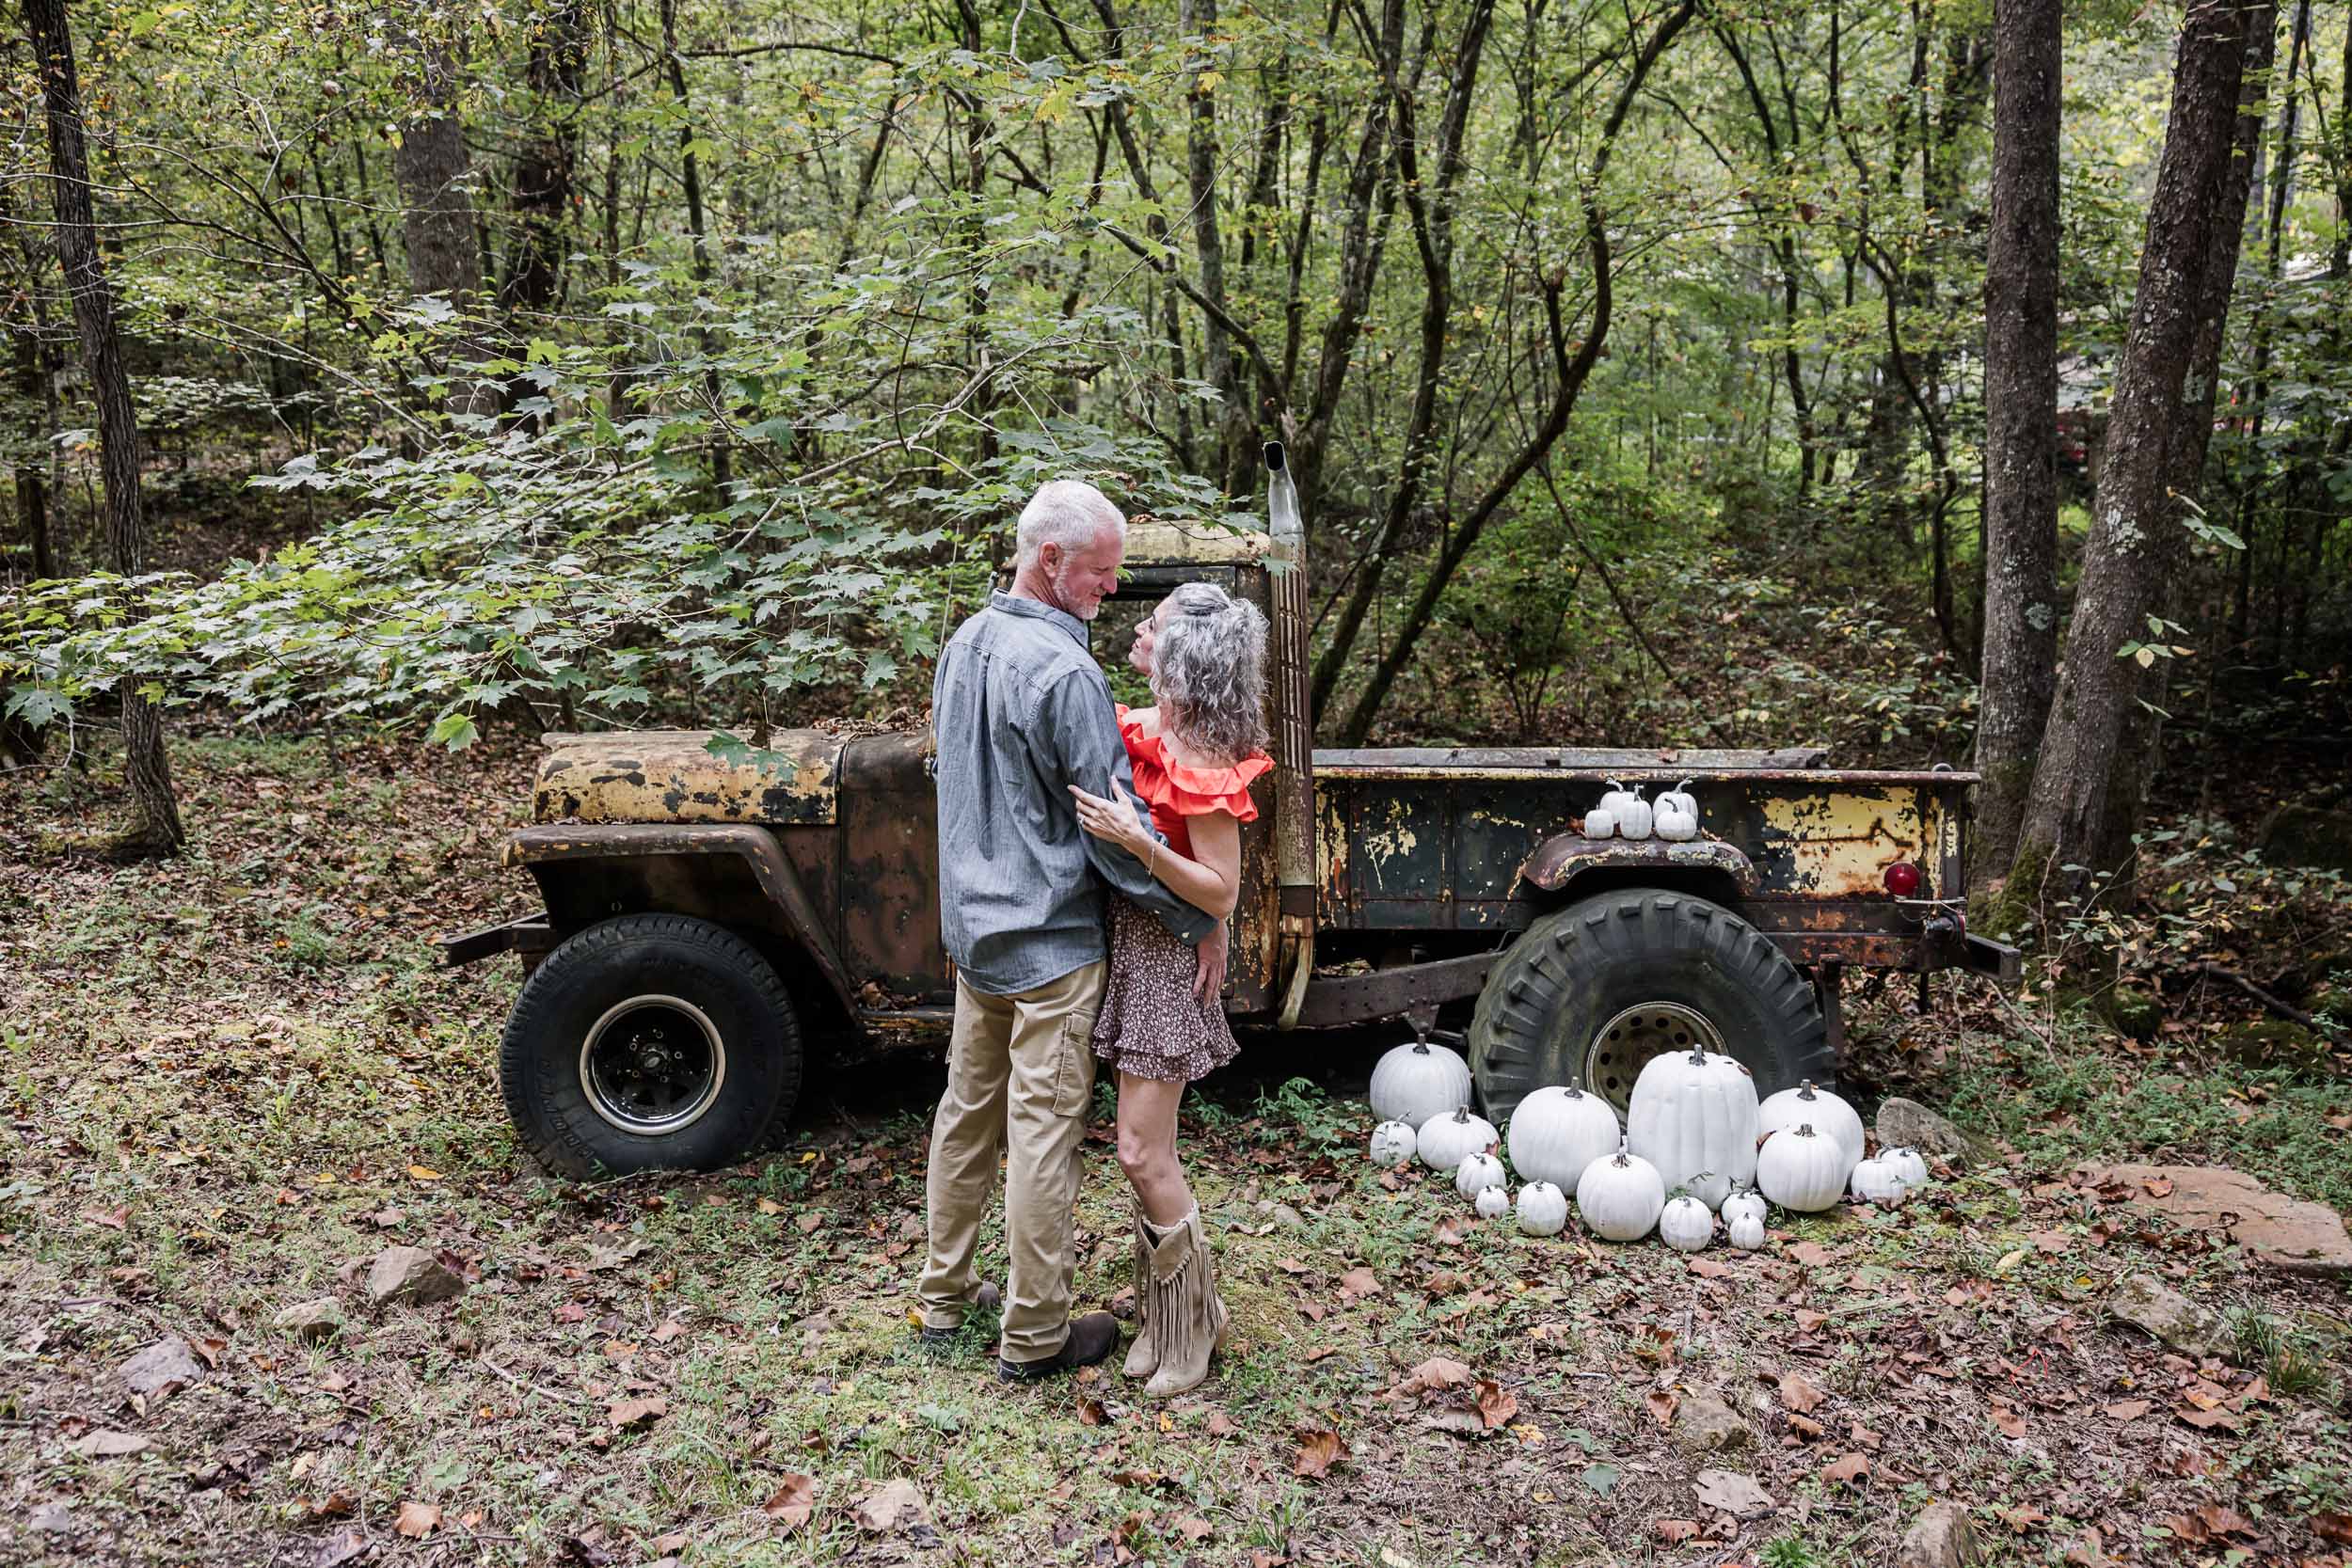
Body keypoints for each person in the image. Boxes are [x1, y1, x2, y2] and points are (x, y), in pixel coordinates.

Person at [914, 480, 1231, 1384]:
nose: (1108, 589)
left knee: (965, 1116)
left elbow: (959, 794)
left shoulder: (965, 643)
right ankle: (1036, 1332)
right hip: (1052, 946)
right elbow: (1115, 832)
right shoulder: (1066, 674)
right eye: (1098, 573)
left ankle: (944, 1298)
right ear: (1049, 560)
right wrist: (1198, 916)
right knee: (1042, 1133)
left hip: (976, 937)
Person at [1068, 580, 1271, 1397]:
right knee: (1145, 1155)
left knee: (1140, 1150)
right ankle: (1175, 1315)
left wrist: (1138, 844)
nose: (1137, 632)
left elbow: (1220, 890)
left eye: (1150, 627)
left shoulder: (1205, 757)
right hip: (1137, 948)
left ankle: (1193, 1327)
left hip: (1164, 962)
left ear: (1181, 654)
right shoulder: (1154, 729)